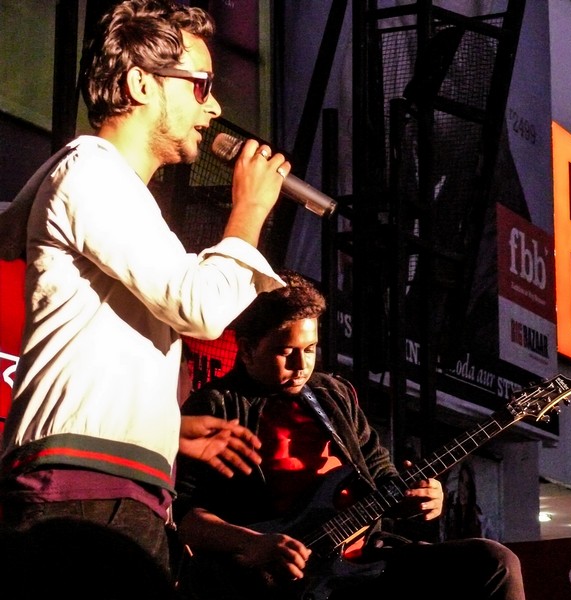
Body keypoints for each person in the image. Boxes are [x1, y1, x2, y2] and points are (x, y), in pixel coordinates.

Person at [0, 0, 292, 577]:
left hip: (113, 487)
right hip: (82, 492)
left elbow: (101, 339)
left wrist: (166, 430)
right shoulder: (91, 169)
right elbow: (199, 305)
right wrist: (249, 211)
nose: (214, 107)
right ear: (140, 83)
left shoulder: (114, 192)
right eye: (201, 84)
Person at [173, 270, 525, 600]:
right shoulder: (214, 405)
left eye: (309, 350)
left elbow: (382, 475)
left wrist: (420, 498)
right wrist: (252, 543)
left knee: (495, 563)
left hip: (365, 559)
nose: (301, 366)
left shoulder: (333, 395)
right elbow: (185, 515)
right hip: (275, 582)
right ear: (248, 349)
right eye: (285, 352)